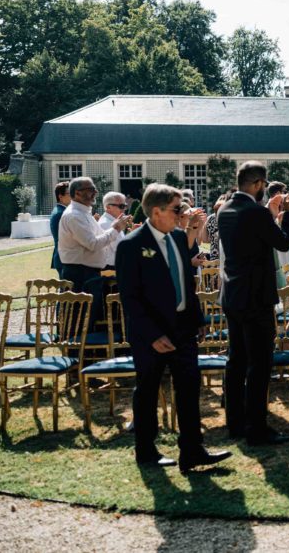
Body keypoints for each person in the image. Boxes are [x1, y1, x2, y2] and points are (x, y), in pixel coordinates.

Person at [116, 184, 231, 472]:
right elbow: (130, 298)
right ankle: (146, 450)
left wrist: (198, 320)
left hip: (183, 328)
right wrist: (153, 335)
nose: (182, 213)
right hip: (151, 333)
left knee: (189, 389)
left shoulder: (179, 238)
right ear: (156, 211)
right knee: (148, 390)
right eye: (177, 209)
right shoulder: (131, 244)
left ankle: (192, 450)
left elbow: (186, 283)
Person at [217, 161, 289, 446]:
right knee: (260, 363)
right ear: (257, 185)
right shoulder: (256, 212)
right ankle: (257, 428)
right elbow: (283, 243)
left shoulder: (225, 208)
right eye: (263, 185)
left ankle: (235, 421)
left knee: (236, 359)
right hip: (256, 297)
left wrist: (271, 213)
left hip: (233, 294)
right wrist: (288, 213)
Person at [58, 177, 131, 323]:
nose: (95, 192)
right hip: (79, 274)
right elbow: (93, 244)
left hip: (88, 272)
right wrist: (116, 228)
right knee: (79, 320)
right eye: (91, 189)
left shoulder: (84, 213)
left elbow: (99, 238)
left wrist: (115, 227)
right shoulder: (74, 215)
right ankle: (75, 346)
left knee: (89, 319)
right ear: (78, 193)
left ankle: (85, 345)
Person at [97, 191, 130, 269]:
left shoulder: (113, 220)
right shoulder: (106, 223)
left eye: (125, 206)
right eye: (121, 206)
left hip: (114, 266)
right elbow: (121, 248)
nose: (124, 209)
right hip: (111, 268)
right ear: (108, 207)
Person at [49, 181, 70, 278]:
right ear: (60, 196)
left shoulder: (60, 211)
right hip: (64, 258)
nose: (73, 196)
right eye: (69, 194)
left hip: (62, 257)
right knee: (67, 291)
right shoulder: (61, 213)